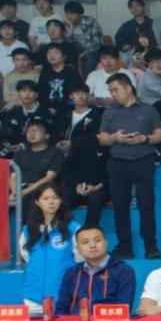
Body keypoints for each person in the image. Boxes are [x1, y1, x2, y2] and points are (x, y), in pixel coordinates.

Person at [97, 72, 161, 260]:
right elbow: (102, 139)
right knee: (120, 205)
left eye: (116, 90)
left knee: (146, 204)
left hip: (143, 160)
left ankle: (150, 245)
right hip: (117, 162)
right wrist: (115, 137)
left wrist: (144, 138)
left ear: (128, 88)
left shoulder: (148, 110)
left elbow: (160, 135)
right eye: (111, 91)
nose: (113, 94)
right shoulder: (109, 112)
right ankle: (124, 246)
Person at [19, 186, 78, 313]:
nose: (51, 202)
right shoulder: (28, 230)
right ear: (37, 202)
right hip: (33, 294)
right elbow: (27, 256)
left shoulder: (73, 228)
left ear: (61, 200)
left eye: (55, 198)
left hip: (63, 293)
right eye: (45, 198)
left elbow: (80, 258)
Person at [55, 225, 137, 314]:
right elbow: (61, 308)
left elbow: (124, 308)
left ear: (105, 243)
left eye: (97, 240)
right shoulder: (71, 273)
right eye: (85, 242)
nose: (92, 245)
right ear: (78, 249)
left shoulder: (123, 271)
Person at [58, 83, 108, 228]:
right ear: (70, 96)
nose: (81, 96)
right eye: (77, 93)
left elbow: (110, 172)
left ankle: (89, 232)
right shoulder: (65, 115)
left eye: (84, 93)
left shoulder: (99, 115)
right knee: (62, 199)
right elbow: (67, 169)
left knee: (96, 198)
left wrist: (96, 187)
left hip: (97, 186)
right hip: (77, 182)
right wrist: (77, 185)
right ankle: (62, 233)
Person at [13, 118, 63, 205]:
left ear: (47, 135)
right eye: (29, 131)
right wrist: (15, 192)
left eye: (37, 130)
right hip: (20, 189)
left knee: (28, 199)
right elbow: (13, 175)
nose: (32, 133)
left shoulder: (55, 153)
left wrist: (25, 192)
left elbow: (49, 178)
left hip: (41, 189)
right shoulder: (21, 153)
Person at [37, 41, 82, 125]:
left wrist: (58, 109)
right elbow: (41, 93)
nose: (51, 56)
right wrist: (47, 108)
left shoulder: (71, 73)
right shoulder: (45, 72)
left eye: (56, 53)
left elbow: (75, 97)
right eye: (49, 53)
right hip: (48, 110)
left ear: (64, 57)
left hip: (67, 110)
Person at [0, 80, 45, 148]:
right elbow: (4, 132)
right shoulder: (13, 112)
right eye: (23, 91)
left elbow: (44, 137)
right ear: (18, 94)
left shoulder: (44, 113)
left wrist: (22, 146)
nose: (27, 94)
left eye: (31, 91)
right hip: (11, 149)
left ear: (36, 95)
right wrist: (6, 143)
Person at [63, 1, 104, 76]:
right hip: (75, 53)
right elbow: (66, 45)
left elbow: (97, 43)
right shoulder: (66, 25)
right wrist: (70, 31)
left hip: (92, 52)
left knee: (89, 58)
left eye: (73, 13)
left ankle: (87, 81)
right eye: (67, 13)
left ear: (81, 14)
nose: (69, 16)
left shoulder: (90, 22)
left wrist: (83, 53)